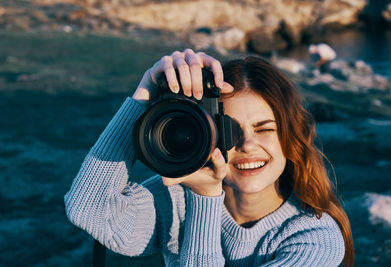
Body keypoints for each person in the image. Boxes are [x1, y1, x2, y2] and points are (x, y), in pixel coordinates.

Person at [64, 49, 354, 266]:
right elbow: (88, 207)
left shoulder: (314, 238)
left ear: (290, 139)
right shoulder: (178, 199)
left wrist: (205, 199)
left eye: (264, 129)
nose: (248, 144)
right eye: (229, 130)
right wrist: (146, 90)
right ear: (207, 133)